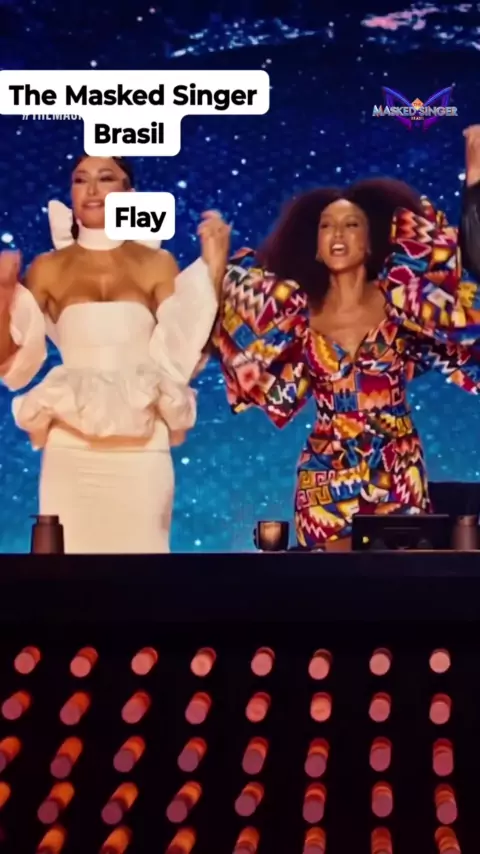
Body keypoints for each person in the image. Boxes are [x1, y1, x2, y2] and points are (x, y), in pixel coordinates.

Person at [214, 126, 480, 551]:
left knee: (402, 582)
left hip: (397, 466)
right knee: (332, 584)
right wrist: (214, 270)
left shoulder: (403, 301)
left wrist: (475, 183)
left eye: (351, 224)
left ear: (369, 242)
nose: (337, 234)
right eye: (327, 226)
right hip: (325, 474)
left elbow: (464, 316)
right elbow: (274, 388)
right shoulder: (295, 318)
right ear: (316, 247)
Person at [0, 155, 230, 553]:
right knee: (66, 572)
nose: (91, 189)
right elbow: (12, 364)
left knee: (143, 570)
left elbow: (185, 356)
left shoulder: (157, 264)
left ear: (129, 193)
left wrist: (214, 267)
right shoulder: (47, 268)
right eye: (80, 179)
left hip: (143, 449)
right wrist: (4, 293)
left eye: (106, 178)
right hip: (70, 450)